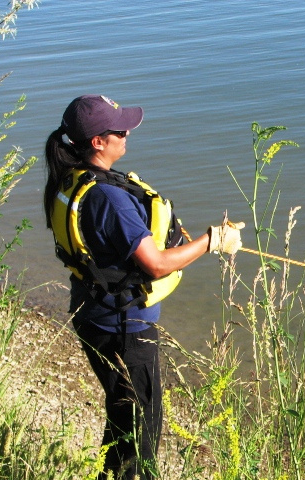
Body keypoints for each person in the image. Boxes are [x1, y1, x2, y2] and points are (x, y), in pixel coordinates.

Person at [43, 94, 244, 479]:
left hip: (92, 315)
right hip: (125, 329)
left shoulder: (72, 179)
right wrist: (212, 240)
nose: (127, 132)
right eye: (119, 129)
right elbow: (155, 264)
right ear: (98, 142)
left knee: (122, 418)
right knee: (141, 434)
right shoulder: (110, 198)